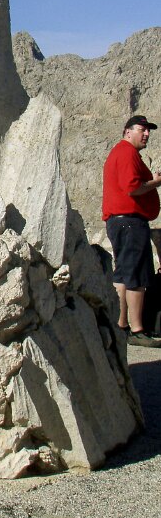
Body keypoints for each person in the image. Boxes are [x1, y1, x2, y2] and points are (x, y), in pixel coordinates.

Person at [102, 114, 161, 347]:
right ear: (128, 131)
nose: (146, 134)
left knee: (124, 274)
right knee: (136, 275)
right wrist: (156, 182)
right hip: (130, 222)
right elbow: (133, 187)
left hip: (122, 222)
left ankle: (121, 325)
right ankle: (137, 330)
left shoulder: (121, 152)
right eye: (141, 129)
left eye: (148, 130)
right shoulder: (127, 153)